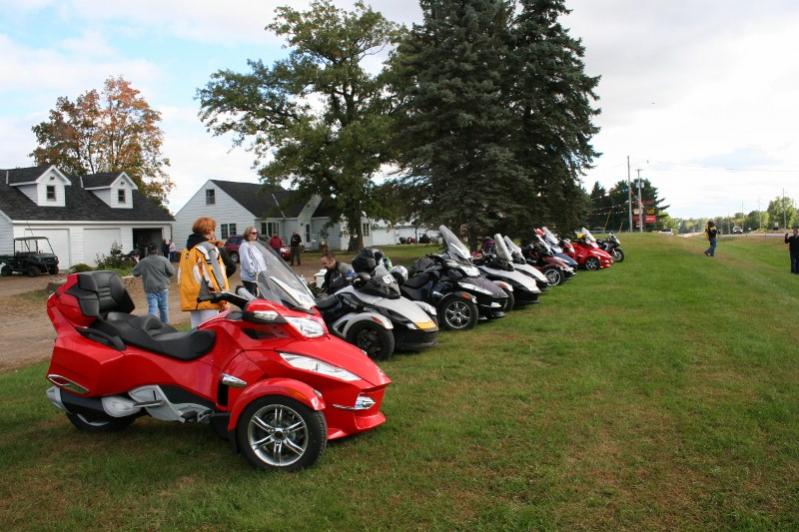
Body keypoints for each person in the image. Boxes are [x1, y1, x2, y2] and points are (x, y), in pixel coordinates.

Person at [178, 217, 231, 328]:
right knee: (211, 332)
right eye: (213, 229)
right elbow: (214, 276)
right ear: (209, 230)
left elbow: (180, 276)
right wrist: (223, 300)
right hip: (208, 298)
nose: (213, 233)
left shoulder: (186, 251)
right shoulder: (208, 248)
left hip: (193, 299)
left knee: (197, 333)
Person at [133, 243, 175, 324]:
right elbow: (172, 272)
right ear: (157, 250)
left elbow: (135, 273)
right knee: (164, 309)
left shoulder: (144, 261)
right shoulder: (163, 260)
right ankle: (166, 327)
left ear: (148, 251)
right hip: (163, 287)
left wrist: (138, 263)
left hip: (150, 289)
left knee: (153, 308)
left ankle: (152, 326)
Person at [239, 226, 268, 296]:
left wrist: (264, 271)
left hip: (258, 278)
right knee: (251, 298)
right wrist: (254, 273)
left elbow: (260, 260)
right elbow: (246, 262)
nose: (256, 234)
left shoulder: (254, 246)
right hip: (250, 279)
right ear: (248, 234)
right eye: (253, 233)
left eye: (256, 233)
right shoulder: (244, 246)